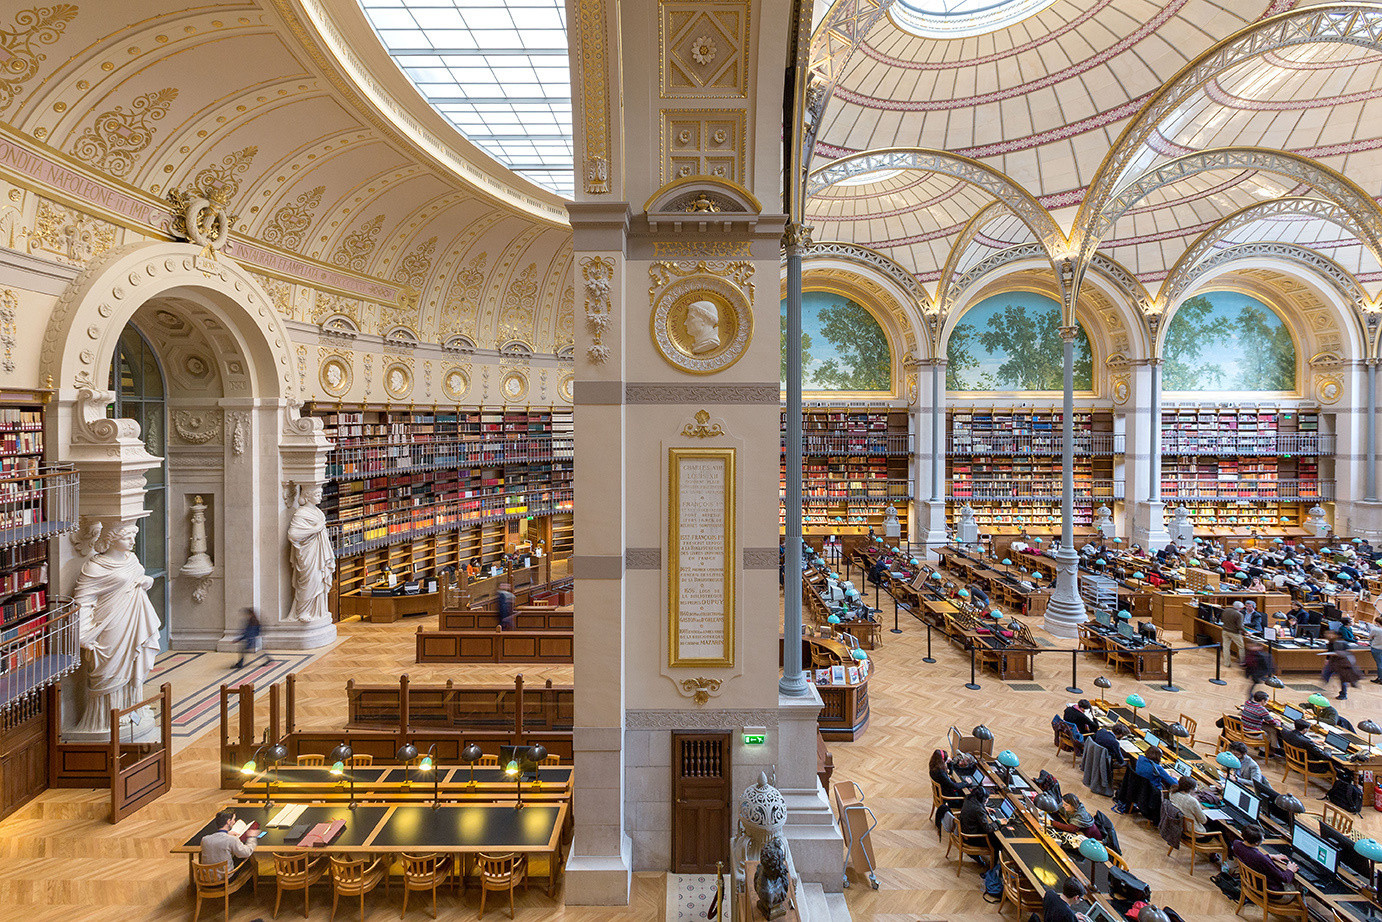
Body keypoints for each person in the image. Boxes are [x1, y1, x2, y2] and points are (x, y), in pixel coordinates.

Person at [70, 521, 163, 735]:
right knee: (110, 669)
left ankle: (131, 708)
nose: (132, 541)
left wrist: (146, 581)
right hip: (109, 623)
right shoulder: (96, 566)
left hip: (133, 618)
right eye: (126, 537)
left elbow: (139, 578)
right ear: (111, 539)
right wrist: (83, 634)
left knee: (132, 661)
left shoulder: (132, 559)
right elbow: (83, 600)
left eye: (133, 536)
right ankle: (105, 717)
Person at [1231, 824, 1298, 894]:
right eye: (1262, 838)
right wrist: (1290, 870)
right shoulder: (1261, 859)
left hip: (1252, 884)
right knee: (1299, 885)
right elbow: (1285, 878)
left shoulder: (1236, 844)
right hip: (1271, 893)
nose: (1264, 839)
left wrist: (1270, 856)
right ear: (1256, 843)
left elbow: (1251, 857)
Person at [199, 809, 257, 877]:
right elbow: (247, 852)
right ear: (228, 821)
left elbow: (217, 842)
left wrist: (227, 834)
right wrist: (251, 838)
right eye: (233, 819)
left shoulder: (205, 839)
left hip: (206, 878)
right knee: (247, 860)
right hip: (225, 879)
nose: (234, 822)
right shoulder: (232, 840)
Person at [1221, 601, 1246, 667]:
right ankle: (1242, 662)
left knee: (1226, 647)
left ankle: (1227, 663)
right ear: (1240, 608)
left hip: (1225, 631)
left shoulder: (1226, 610)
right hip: (1235, 633)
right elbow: (1240, 626)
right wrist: (1247, 632)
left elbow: (1222, 620)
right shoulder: (1239, 615)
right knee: (1241, 647)